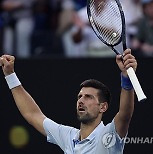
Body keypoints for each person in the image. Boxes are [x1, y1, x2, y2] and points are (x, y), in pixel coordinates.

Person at [0, 48, 137, 153]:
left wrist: (126, 77)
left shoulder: (109, 136)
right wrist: (10, 75)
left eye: (88, 97)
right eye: (80, 96)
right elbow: (32, 114)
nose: (81, 101)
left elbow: (125, 114)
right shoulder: (67, 136)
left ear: (103, 107)